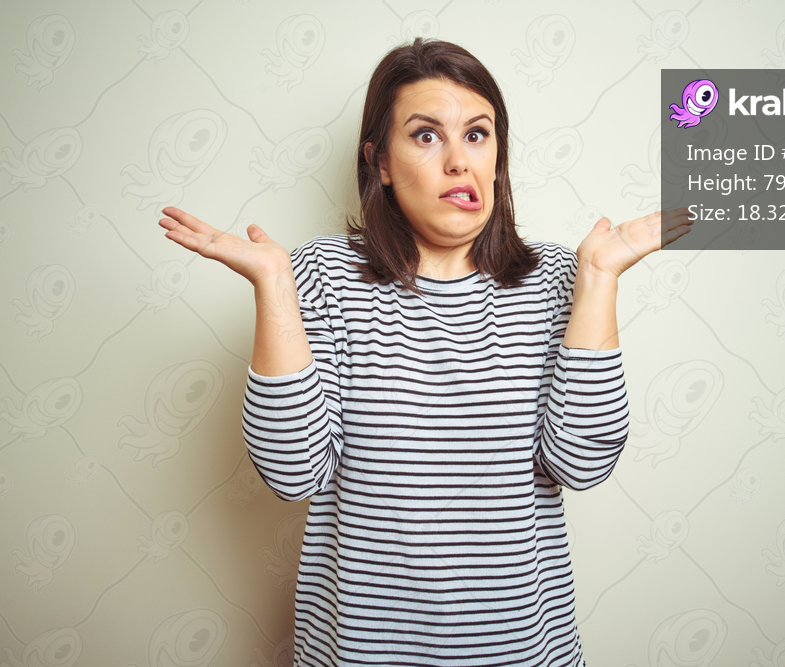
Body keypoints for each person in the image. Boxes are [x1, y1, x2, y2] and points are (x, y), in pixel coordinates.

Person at [159, 37, 691, 667]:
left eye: (477, 135)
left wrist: (599, 279)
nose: (459, 162)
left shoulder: (558, 281)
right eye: (426, 136)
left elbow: (580, 466)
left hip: (523, 651)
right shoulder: (322, 278)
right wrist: (274, 285)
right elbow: (292, 472)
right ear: (379, 161)